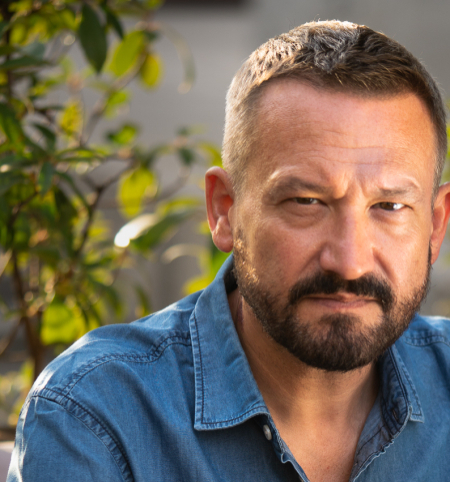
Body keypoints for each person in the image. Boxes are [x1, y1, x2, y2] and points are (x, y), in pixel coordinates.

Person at [7, 20, 450, 482]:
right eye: (306, 202)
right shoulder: (95, 417)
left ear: (436, 224)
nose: (349, 260)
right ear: (225, 210)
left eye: (390, 206)